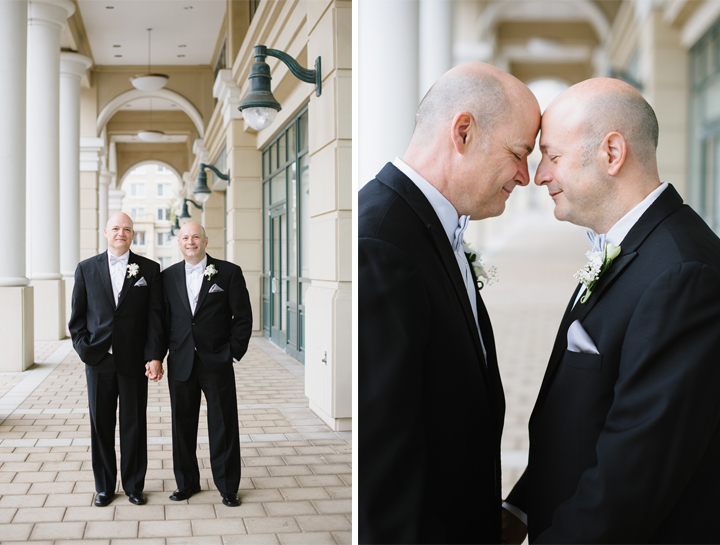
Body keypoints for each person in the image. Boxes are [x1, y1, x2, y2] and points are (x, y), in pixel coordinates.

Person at [503, 78, 720, 544]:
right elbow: (586, 415)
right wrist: (521, 507)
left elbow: (633, 476)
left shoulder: (683, 274)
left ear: (612, 154)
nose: (538, 176)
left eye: (553, 156)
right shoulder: (632, 246)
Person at [359, 62, 541, 544]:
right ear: (463, 131)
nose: (526, 176)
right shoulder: (379, 242)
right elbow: (382, 467)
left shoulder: (434, 225)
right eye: (520, 153)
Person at [153, 221, 252, 507]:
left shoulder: (229, 273)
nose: (190, 241)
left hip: (217, 361)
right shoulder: (167, 277)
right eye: (185, 237)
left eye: (196, 236)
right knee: (181, 425)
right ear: (179, 242)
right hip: (181, 361)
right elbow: (160, 322)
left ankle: (227, 487)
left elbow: (243, 318)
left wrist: (232, 353)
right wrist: (157, 357)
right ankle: (186, 483)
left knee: (223, 424)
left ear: (206, 240)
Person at [69, 212, 164, 507]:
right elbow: (77, 317)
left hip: (135, 361)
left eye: (126, 229)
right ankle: (104, 487)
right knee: (101, 425)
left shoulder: (149, 269)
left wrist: (155, 356)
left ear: (132, 234)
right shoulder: (86, 269)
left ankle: (135, 485)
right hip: (99, 360)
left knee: (134, 424)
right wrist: (86, 349)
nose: (120, 233)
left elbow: (156, 318)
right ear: (105, 232)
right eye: (115, 228)